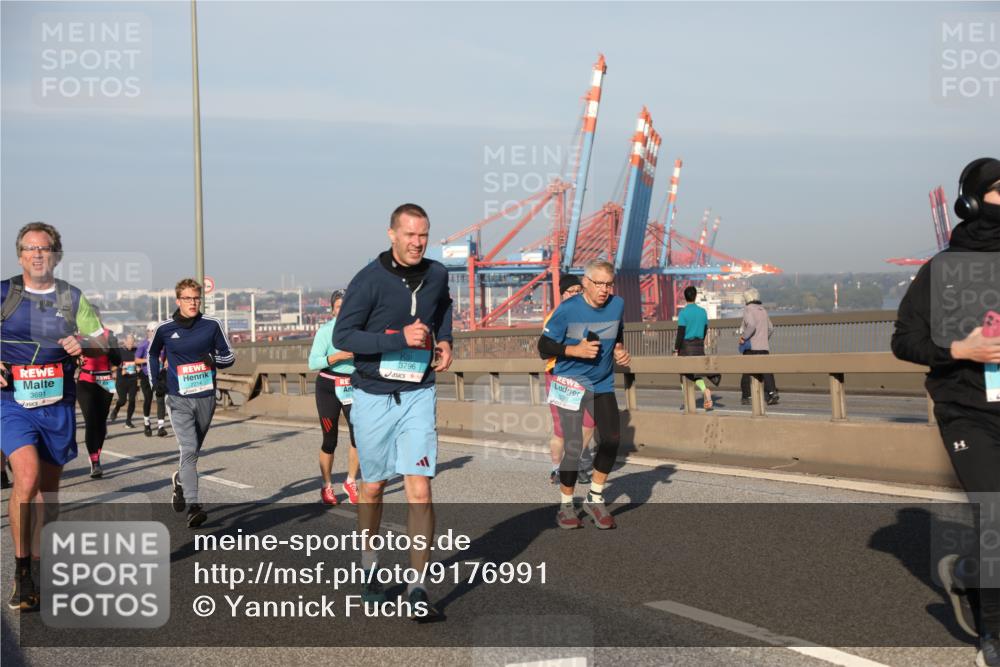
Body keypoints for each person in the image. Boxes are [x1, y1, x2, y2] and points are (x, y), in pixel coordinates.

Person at [892, 157, 1000, 667]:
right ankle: (993, 635)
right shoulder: (941, 269)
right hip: (967, 411)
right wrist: (962, 351)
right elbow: (905, 340)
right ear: (973, 201)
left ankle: (965, 574)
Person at [333, 203, 452, 618]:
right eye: (410, 235)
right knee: (374, 487)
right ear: (391, 234)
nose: (417, 242)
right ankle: (369, 569)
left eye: (423, 235)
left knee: (420, 487)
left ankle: (418, 588)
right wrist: (397, 338)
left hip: (418, 391)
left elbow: (444, 307)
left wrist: (447, 339)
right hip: (373, 395)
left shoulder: (437, 274)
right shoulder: (367, 281)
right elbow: (343, 336)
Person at [1, 222, 107, 611]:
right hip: (11, 402)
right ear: (20, 255)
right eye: (30, 248)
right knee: (25, 477)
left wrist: (83, 341)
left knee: (48, 492)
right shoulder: (4, 294)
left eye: (44, 248)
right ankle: (22, 572)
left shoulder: (70, 297)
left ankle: (44, 569)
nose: (37, 254)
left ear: (56, 255)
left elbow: (102, 336)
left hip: (57, 403)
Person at [538, 258, 631, 530]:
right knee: (575, 445)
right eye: (599, 284)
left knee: (612, 438)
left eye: (609, 284)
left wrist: (619, 350)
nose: (604, 290)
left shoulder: (617, 305)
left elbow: (618, 331)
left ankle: (595, 497)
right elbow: (544, 346)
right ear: (585, 283)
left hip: (601, 383)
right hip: (570, 382)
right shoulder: (568, 309)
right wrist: (574, 351)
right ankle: (566, 505)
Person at [148, 278, 235, 528]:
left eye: (196, 298)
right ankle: (194, 505)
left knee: (194, 449)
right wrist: (157, 382)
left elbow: (229, 356)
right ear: (178, 301)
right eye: (187, 298)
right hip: (178, 398)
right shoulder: (165, 329)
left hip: (206, 397)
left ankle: (179, 481)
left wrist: (213, 360)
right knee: (188, 449)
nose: (193, 303)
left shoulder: (212, 325)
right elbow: (153, 353)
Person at [308, 289, 360, 505]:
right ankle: (327, 486)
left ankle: (350, 481)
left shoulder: (359, 330)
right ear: (332, 310)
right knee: (330, 439)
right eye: (339, 307)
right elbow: (313, 363)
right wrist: (336, 357)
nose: (343, 310)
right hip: (328, 386)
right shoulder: (325, 331)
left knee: (359, 437)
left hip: (353, 385)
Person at [543, 274, 595, 483]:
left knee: (590, 424)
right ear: (562, 294)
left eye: (578, 290)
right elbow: (546, 350)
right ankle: (557, 469)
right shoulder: (555, 316)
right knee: (562, 430)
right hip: (560, 375)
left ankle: (573, 463)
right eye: (570, 291)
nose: (574, 294)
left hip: (586, 375)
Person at [75, 306, 121, 478]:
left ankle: (97, 455)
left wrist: (109, 350)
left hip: (105, 381)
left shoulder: (109, 335)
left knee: (100, 423)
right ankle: (95, 462)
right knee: (91, 421)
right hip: (86, 380)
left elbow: (118, 360)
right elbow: (69, 361)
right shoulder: (78, 338)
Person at [674, 285, 719, 411]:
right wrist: (700, 341)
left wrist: (676, 349)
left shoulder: (683, 313)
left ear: (685, 297)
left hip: (686, 347)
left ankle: (688, 401)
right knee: (696, 373)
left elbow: (681, 332)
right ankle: (705, 390)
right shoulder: (702, 312)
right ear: (695, 296)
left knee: (684, 375)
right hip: (699, 346)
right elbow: (705, 330)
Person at [738, 288, 779, 406]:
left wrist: (744, 337)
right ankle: (772, 393)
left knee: (747, 371)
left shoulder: (748, 310)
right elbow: (771, 328)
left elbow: (751, 325)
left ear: (747, 298)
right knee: (766, 371)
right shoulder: (763, 310)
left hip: (751, 347)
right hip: (763, 347)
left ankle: (747, 396)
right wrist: (764, 339)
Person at [136, 321, 167, 437]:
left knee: (160, 399)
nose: (154, 333)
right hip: (146, 374)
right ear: (148, 332)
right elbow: (136, 360)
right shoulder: (143, 344)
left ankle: (161, 427)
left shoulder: (163, 344)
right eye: (152, 331)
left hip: (159, 374)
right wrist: (148, 360)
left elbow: (167, 356)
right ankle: (147, 423)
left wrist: (166, 362)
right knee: (148, 399)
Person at [109, 333, 140, 428]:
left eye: (132, 343)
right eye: (129, 343)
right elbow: (112, 366)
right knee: (122, 400)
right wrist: (121, 367)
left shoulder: (136, 351)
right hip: (122, 380)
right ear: (125, 342)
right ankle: (116, 409)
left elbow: (138, 362)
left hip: (133, 379)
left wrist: (138, 367)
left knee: (132, 400)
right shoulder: (119, 351)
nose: (131, 345)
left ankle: (128, 421)